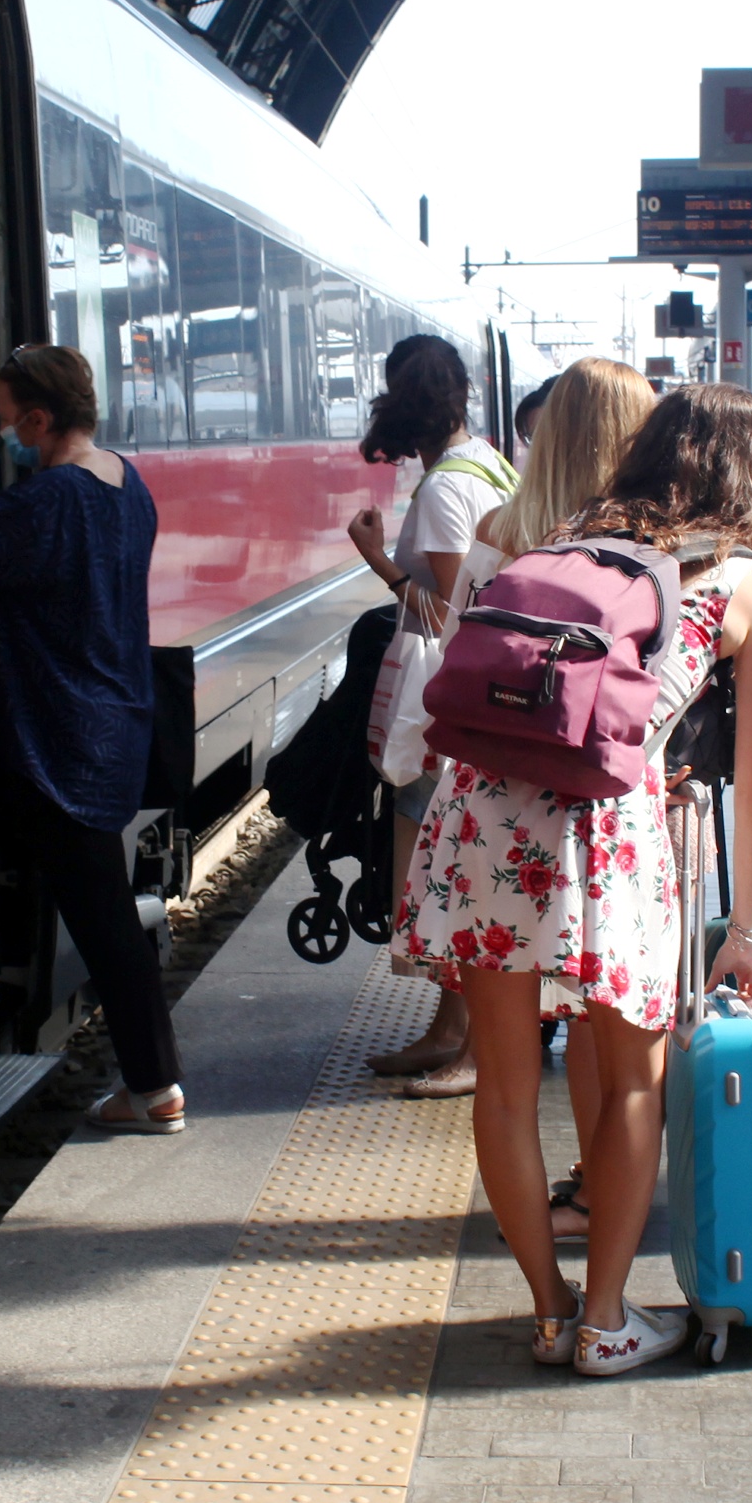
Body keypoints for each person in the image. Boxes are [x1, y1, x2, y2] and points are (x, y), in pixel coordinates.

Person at [399, 382, 752, 1376]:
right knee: (629, 1085)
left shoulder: (561, 537)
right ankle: (606, 1321)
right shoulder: (740, 581)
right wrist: (741, 933)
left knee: (502, 1081)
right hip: (604, 841)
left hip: (481, 821)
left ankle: (546, 1309)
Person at [0, 345, 185, 1135]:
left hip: (62, 740)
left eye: (10, 421)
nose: (8, 437)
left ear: (39, 416)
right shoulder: (125, 483)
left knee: (102, 916)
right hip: (106, 723)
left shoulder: (53, 498)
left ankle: (155, 1085)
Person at [456, 359, 659, 1230]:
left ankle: (543, 1290)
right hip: (603, 820)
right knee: (613, 1056)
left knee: (503, 1075)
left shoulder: (504, 530)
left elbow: (454, 660)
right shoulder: (651, 551)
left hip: (495, 812)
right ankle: (597, 1216)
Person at [348, 336, 517, 1096]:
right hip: (469, 707)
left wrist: (380, 563)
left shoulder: (449, 489)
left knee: (455, 877)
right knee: (453, 874)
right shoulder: (489, 460)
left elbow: (455, 612)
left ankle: (475, 1051)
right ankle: (448, 1032)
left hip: (446, 706)